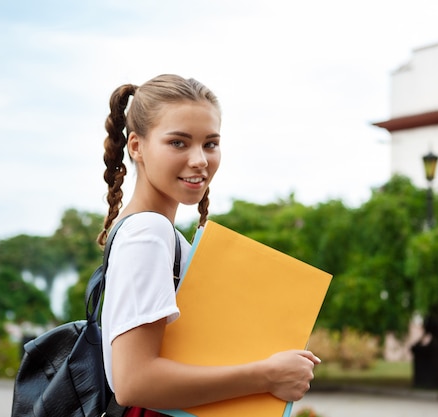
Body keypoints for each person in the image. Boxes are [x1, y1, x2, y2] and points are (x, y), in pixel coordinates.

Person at [98, 74, 320, 416]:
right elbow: (134, 382)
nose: (200, 159)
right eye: (178, 143)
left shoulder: (153, 231)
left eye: (210, 143)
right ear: (137, 146)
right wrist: (267, 375)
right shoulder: (148, 233)